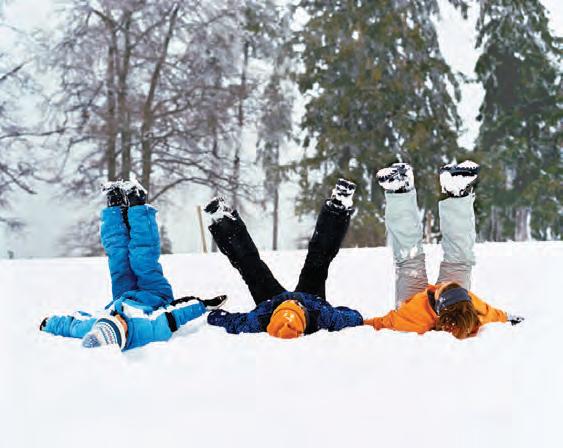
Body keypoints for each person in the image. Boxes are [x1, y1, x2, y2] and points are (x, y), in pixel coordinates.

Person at [40, 180, 227, 350]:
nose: (118, 317)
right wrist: (203, 304)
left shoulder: (96, 324)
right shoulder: (148, 330)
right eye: (119, 323)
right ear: (124, 334)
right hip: (155, 294)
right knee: (142, 257)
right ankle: (137, 203)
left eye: (112, 318)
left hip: (124, 294)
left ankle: (114, 205)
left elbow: (73, 326)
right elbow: (177, 314)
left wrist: (50, 324)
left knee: (117, 257)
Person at [364, 161, 524, 339]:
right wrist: (509, 318)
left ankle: (400, 190)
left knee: (409, 260)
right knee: (460, 260)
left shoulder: (410, 318)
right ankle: (456, 192)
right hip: (446, 303)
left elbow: (379, 324)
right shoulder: (475, 308)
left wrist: (356, 322)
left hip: (417, 308)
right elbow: (496, 316)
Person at [205, 179, 364, 339]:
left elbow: (233, 322)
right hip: (305, 301)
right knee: (314, 261)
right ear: (303, 316)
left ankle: (223, 220)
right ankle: (337, 206)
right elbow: (354, 317)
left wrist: (216, 316)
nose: (292, 303)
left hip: (274, 303)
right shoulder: (319, 314)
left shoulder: (263, 318)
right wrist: (218, 317)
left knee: (255, 269)